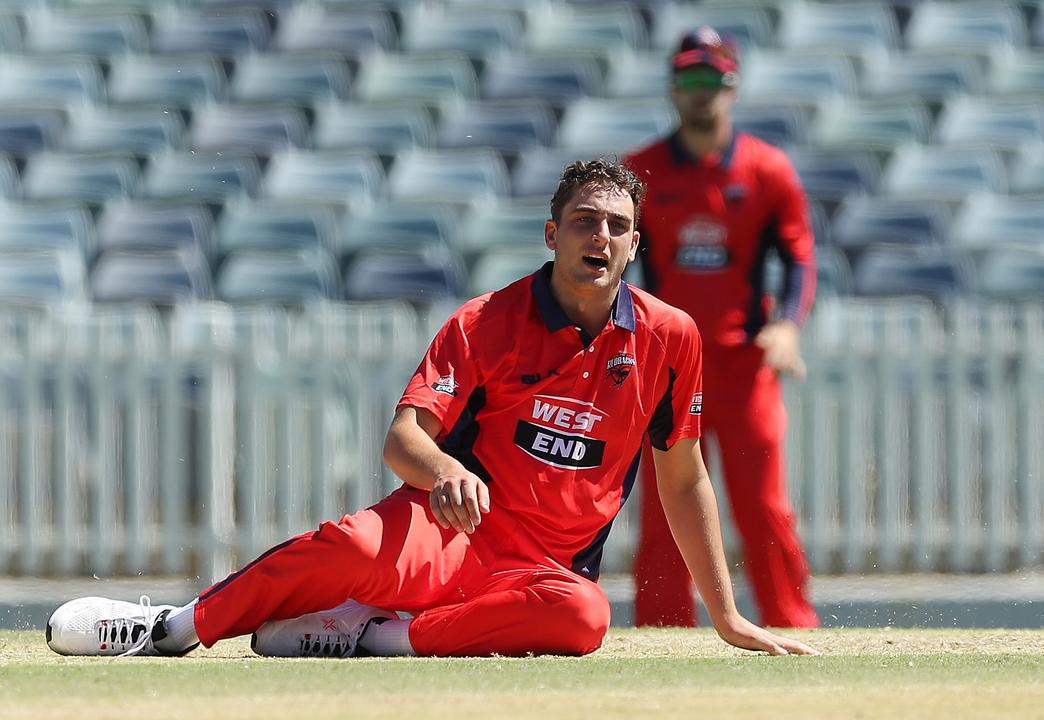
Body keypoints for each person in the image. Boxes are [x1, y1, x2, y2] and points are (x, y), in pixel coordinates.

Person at [45, 159, 816, 659]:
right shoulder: (486, 321)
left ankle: (380, 637)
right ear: (552, 234)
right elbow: (404, 437)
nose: (601, 236)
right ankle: (169, 628)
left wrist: (727, 616)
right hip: (450, 533)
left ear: (635, 246)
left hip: (543, 573)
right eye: (584, 220)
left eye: (617, 227)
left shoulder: (669, 338)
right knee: (349, 547)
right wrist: (445, 469)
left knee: (584, 621)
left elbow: (683, 481)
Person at [624, 27, 819, 629]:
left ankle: (790, 625)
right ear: (673, 88)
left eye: (711, 80)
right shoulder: (642, 171)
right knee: (663, 510)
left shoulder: (766, 170)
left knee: (762, 507)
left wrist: (787, 326)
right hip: (667, 370)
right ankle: (661, 634)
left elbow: (801, 258)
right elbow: (615, 265)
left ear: (732, 86)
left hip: (742, 366)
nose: (701, 92)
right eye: (689, 80)